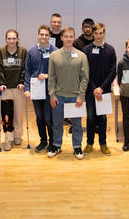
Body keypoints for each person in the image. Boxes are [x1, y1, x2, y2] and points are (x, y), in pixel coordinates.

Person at [48, 27, 89, 160]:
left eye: (71, 36)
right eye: (66, 36)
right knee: (57, 123)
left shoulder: (81, 56)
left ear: (74, 37)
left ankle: (77, 146)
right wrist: (52, 95)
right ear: (61, 38)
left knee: (77, 123)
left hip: (75, 97)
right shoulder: (54, 56)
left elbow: (85, 78)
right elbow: (52, 77)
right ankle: (56, 145)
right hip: (59, 96)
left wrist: (81, 96)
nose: (68, 39)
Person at [83, 23, 116, 156]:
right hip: (90, 91)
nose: (98, 36)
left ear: (104, 33)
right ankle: (90, 143)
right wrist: (94, 88)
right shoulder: (86, 50)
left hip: (105, 91)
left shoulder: (110, 49)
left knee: (102, 117)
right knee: (90, 117)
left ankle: (103, 144)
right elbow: (85, 72)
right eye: (96, 33)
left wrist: (101, 88)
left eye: (101, 33)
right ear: (92, 34)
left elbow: (113, 71)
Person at [24, 25, 57, 152]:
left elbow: (59, 72)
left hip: (50, 90)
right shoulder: (31, 52)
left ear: (49, 36)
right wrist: (27, 89)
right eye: (41, 34)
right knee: (39, 117)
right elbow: (28, 72)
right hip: (36, 90)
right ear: (38, 35)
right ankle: (43, 141)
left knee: (49, 118)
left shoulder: (55, 51)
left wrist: (47, 75)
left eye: (46, 35)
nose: (44, 37)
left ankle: (52, 142)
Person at [0, 29, 27, 151]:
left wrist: (22, 82)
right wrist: (1, 83)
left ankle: (17, 136)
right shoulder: (0, 52)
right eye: (9, 38)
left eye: (14, 38)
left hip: (18, 88)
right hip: (5, 88)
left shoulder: (23, 51)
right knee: (7, 115)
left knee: (18, 114)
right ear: (6, 39)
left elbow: (25, 68)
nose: (12, 41)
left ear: (18, 39)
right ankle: (8, 138)